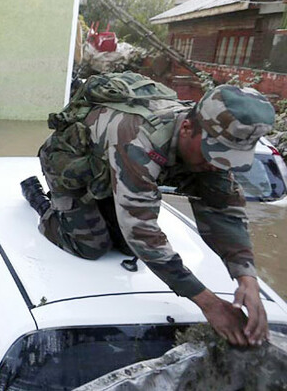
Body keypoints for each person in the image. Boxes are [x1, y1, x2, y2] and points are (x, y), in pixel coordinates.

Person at [22, 81, 275, 347]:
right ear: (187, 128)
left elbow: (224, 211)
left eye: (227, 159)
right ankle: (45, 205)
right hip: (70, 164)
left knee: (123, 246)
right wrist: (208, 302)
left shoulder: (212, 141)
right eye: (213, 155)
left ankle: (97, 202)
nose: (216, 166)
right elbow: (142, 232)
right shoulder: (140, 138)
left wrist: (247, 278)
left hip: (112, 168)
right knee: (91, 246)